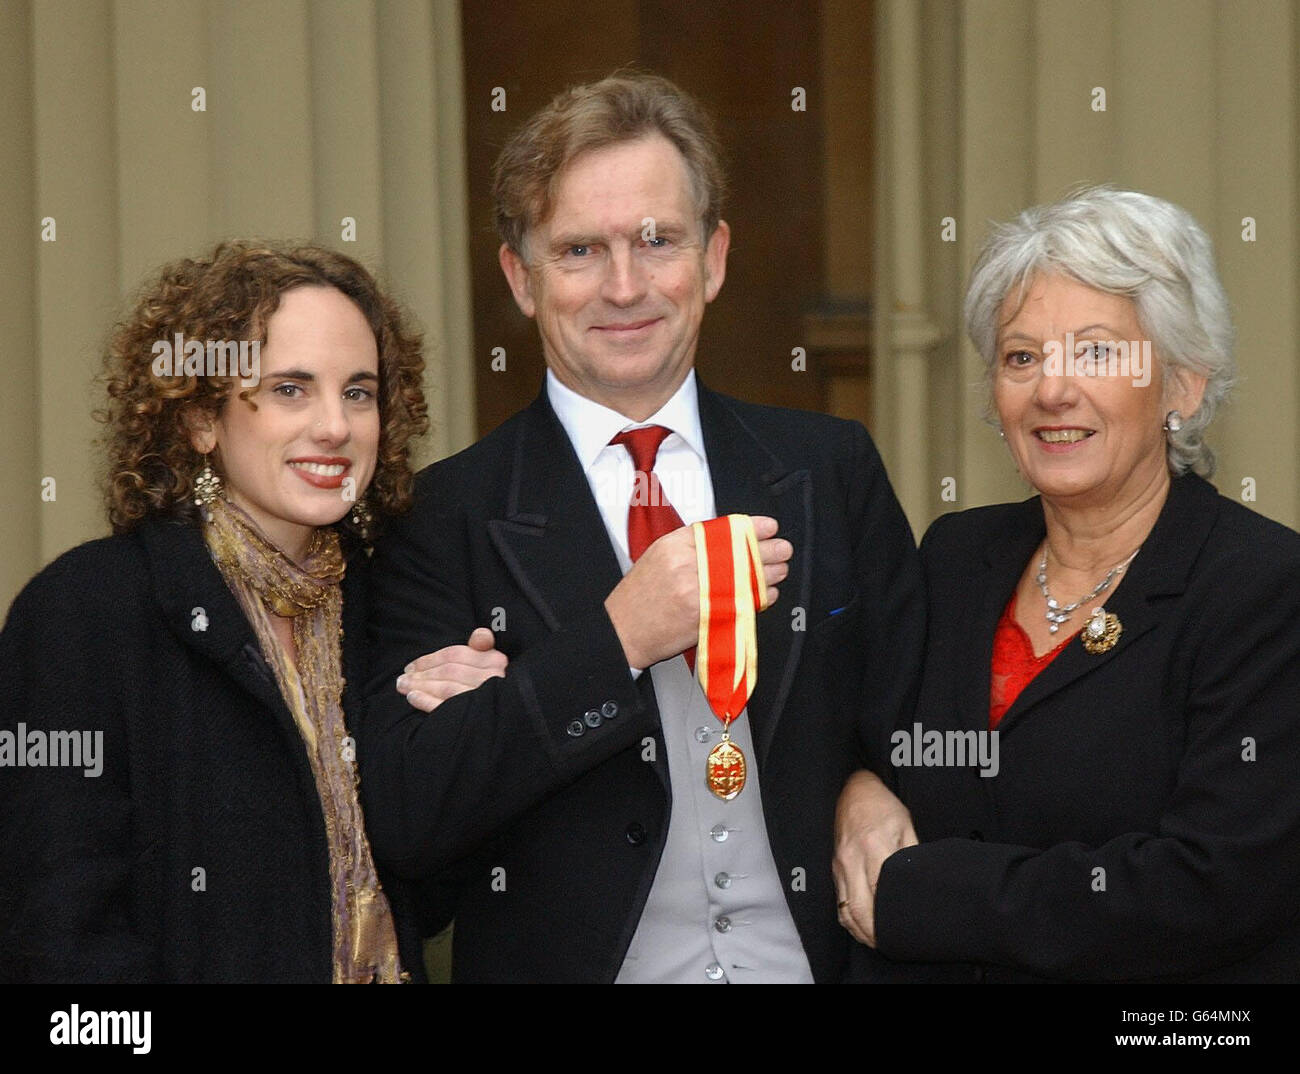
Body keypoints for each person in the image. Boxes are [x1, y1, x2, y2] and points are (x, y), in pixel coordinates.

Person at [358, 72, 923, 983]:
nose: (624, 286)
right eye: (580, 249)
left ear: (715, 257)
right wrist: (618, 638)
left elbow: (917, 727)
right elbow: (409, 821)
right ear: (521, 278)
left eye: (658, 240)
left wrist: (870, 783)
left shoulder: (830, 469)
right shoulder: (440, 517)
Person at [834, 186, 1300, 982]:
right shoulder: (956, 556)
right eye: (1022, 357)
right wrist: (858, 793)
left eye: (1097, 351)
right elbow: (864, 734)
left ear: (1183, 386)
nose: (1052, 389)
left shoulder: (1261, 588)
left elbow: (1206, 889)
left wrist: (930, 898)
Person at [0, 241, 433, 982]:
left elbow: (431, 890)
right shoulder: (84, 612)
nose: (335, 425)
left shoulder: (391, 602)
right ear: (201, 418)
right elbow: (57, 939)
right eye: (291, 389)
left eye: (358, 392)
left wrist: (464, 731)